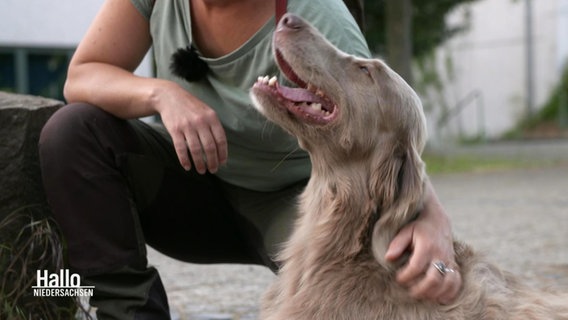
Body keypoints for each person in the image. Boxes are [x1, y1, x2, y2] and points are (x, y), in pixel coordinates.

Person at [38, 0, 462, 319]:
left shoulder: (317, 14)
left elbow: (383, 129)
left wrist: (430, 215)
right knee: (72, 132)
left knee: (387, 270)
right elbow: (83, 75)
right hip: (191, 184)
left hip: (296, 205)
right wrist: (161, 93)